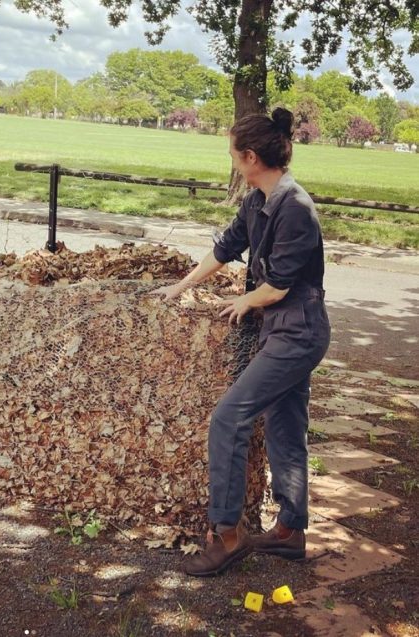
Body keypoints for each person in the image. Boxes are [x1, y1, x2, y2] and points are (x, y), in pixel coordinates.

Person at [151, 107, 331, 577]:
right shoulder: (256, 201)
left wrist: (247, 300)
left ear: (250, 156)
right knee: (285, 424)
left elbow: (280, 286)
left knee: (229, 417)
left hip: (299, 330)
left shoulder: (296, 208)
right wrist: (180, 287)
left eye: (233, 153)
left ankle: (227, 534)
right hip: (282, 329)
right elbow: (224, 248)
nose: (232, 160)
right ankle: (291, 532)